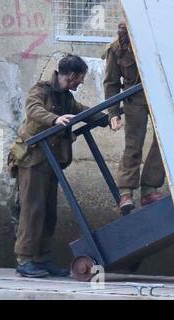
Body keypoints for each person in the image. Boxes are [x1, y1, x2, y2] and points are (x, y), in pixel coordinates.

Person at [10, 54, 105, 278]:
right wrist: (55, 119)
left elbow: (83, 110)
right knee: (32, 211)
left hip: (52, 162)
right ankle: (25, 260)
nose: (81, 82)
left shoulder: (66, 97)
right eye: (80, 77)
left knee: (48, 213)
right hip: (33, 160)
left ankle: (41, 258)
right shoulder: (41, 90)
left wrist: (105, 117)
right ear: (71, 76)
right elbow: (33, 108)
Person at [103, 22, 166, 214]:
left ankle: (149, 189)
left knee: (163, 142)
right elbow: (111, 83)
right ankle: (126, 193)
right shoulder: (116, 49)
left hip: (160, 97)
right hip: (134, 100)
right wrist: (113, 113)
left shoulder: (159, 41)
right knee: (133, 143)